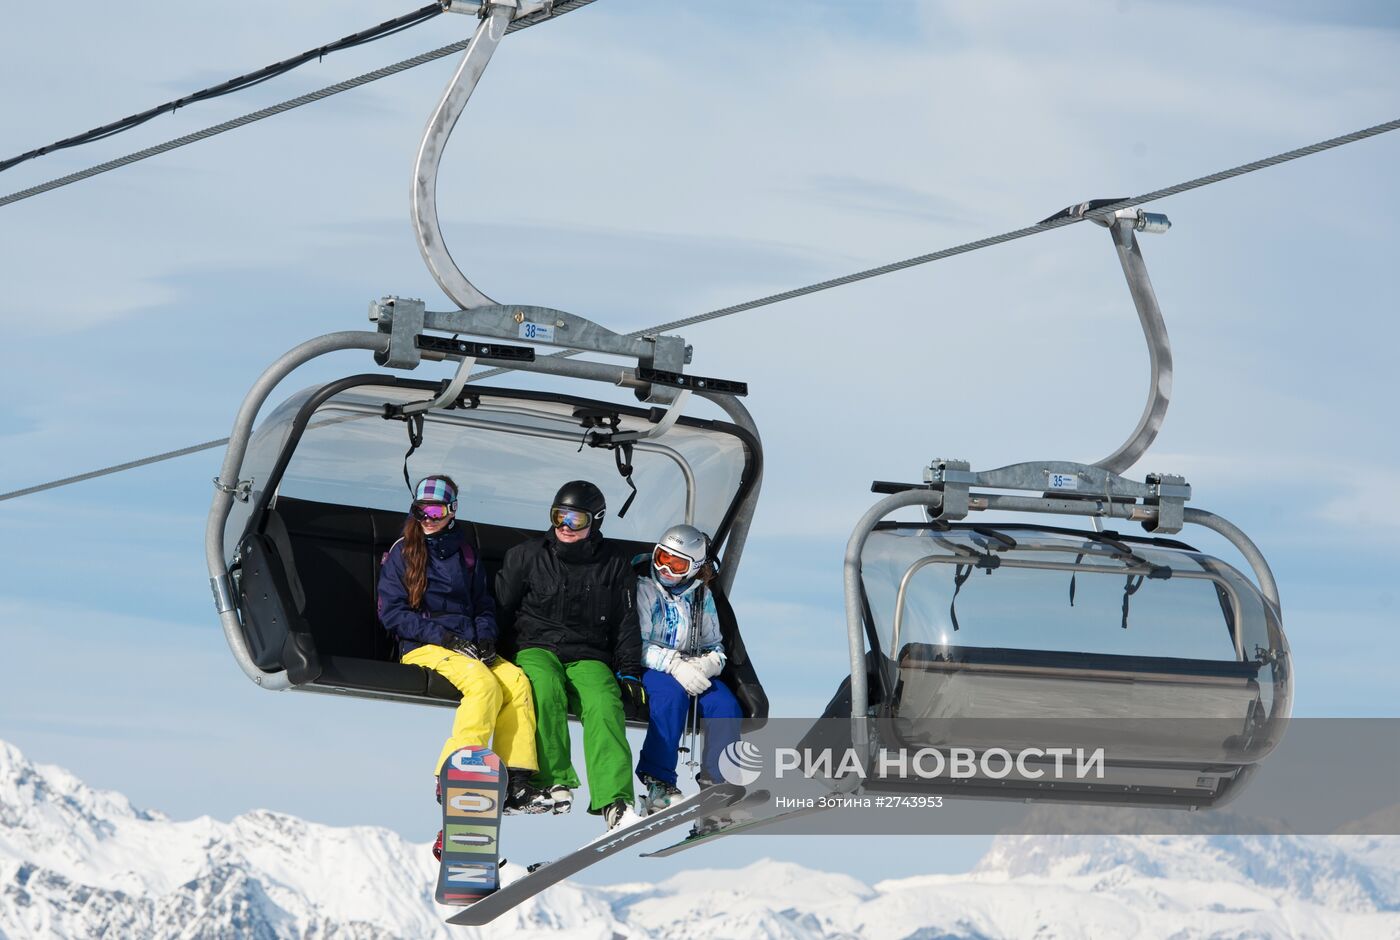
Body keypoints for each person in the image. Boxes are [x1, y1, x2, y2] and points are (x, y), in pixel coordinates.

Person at [377, 474, 551, 861]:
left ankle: (516, 780)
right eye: (421, 509)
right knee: (484, 687)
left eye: (436, 509)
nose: (428, 517)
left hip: (468, 645)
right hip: (423, 646)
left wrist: (486, 637)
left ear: (452, 510)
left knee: (516, 681)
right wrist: (445, 637)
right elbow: (392, 614)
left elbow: (483, 604)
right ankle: (453, 775)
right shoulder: (404, 552)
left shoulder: (466, 553)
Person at [496, 480, 648, 831]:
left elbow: (626, 621)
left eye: (575, 520)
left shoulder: (613, 564)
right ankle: (553, 781)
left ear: (595, 521)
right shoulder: (528, 555)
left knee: (604, 702)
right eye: (558, 517)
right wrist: (492, 655)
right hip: (536, 645)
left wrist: (629, 670)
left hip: (588, 652)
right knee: (544, 688)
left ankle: (614, 800)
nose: (564, 527)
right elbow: (501, 608)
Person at [633, 524, 743, 813]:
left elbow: (714, 644)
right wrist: (675, 665)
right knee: (670, 697)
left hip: (692, 665)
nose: (666, 569)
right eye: (662, 558)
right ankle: (659, 781)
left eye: (677, 563)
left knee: (725, 704)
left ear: (693, 567)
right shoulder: (643, 588)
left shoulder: (700, 596)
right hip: (652, 665)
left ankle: (718, 782)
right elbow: (636, 643)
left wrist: (709, 664)